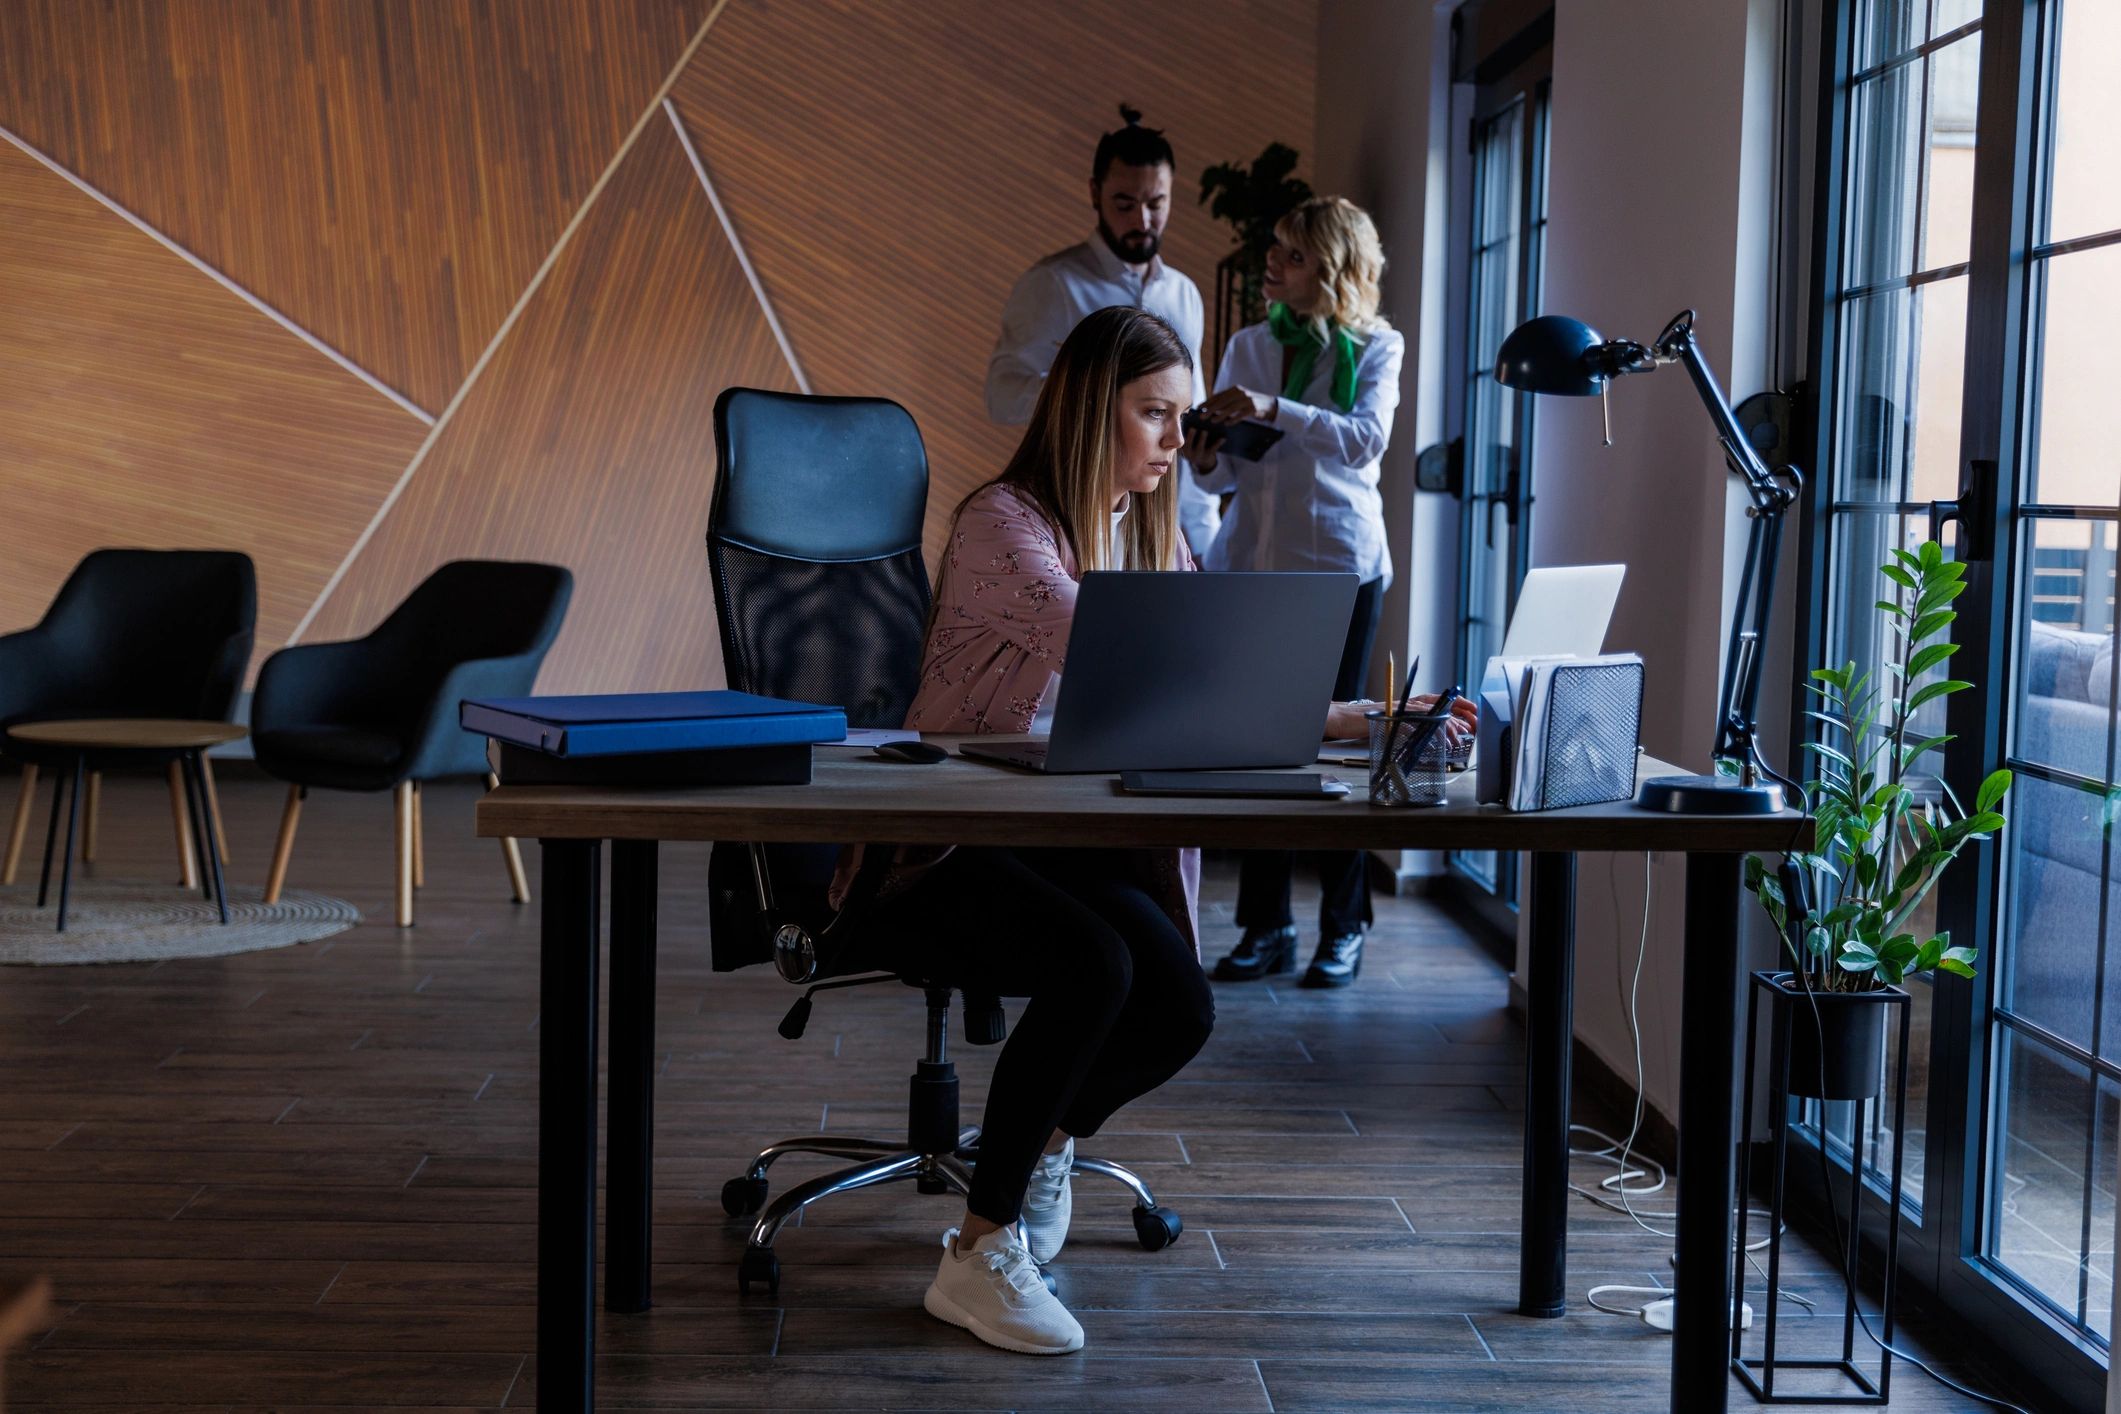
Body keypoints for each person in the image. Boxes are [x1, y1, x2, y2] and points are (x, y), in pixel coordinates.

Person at [847, 307, 1439, 1356]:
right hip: (939, 845)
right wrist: (1335, 711)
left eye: (1181, 417)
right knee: (1098, 965)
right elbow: (1156, 664)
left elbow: (1218, 671)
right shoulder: (1005, 525)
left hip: (1063, 837)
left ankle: (1039, 1150)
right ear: (1091, 411)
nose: (1180, 439)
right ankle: (977, 1253)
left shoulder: (1154, 532)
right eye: (1157, 415)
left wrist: (1359, 717)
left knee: (1179, 1003)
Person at [1186, 195, 1405, 990]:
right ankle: (1265, 927)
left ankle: (1342, 928)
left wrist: (1277, 408)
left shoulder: (1377, 346)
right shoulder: (1246, 344)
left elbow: (1365, 442)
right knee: (1258, 746)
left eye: (1292, 254)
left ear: (1334, 269)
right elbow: (1224, 474)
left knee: (1339, 746)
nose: (1270, 265)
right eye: (1273, 249)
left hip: (1339, 568)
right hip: (1251, 564)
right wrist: (1207, 456)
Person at [985, 105, 1221, 557]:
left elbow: (1188, 405)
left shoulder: (1185, 294)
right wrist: (1088, 390)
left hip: (1170, 519)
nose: (1143, 221)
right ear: (1095, 193)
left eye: (1156, 204)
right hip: (1078, 506)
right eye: (1125, 204)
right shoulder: (1052, 284)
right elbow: (1000, 395)